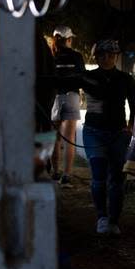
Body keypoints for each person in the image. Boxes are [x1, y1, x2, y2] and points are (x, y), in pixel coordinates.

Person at [79, 40, 135, 235]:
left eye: (111, 55)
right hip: (94, 132)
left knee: (118, 179)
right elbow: (62, 82)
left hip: (119, 133)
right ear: (96, 57)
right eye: (103, 55)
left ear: (116, 56)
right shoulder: (86, 76)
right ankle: (102, 217)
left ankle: (113, 219)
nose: (107, 58)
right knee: (99, 175)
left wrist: (131, 126)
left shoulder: (126, 79)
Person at [49, 26, 85, 185]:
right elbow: (82, 78)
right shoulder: (76, 56)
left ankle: (55, 172)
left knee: (54, 138)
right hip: (71, 96)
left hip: (52, 98)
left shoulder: (50, 56)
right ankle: (67, 175)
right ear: (69, 40)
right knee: (69, 139)